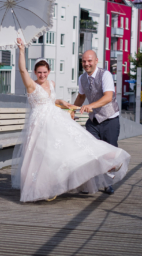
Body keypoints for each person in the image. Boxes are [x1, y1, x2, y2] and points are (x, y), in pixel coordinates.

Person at [11, 39, 130, 202]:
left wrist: (63, 103)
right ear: (35, 72)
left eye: (45, 72)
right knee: (48, 155)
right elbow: (22, 70)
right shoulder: (32, 85)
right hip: (40, 122)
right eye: (39, 72)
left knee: (78, 144)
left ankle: (109, 171)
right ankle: (48, 185)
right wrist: (22, 51)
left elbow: (108, 97)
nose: (42, 75)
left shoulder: (103, 75)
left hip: (102, 117)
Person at [72, 50, 121, 195]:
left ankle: (107, 184)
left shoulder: (105, 75)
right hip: (93, 121)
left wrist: (91, 106)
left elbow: (108, 97)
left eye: (89, 61)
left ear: (96, 61)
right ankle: (89, 185)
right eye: (84, 61)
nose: (86, 64)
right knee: (88, 152)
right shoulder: (82, 78)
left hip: (109, 119)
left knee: (109, 154)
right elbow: (81, 96)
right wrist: (73, 110)